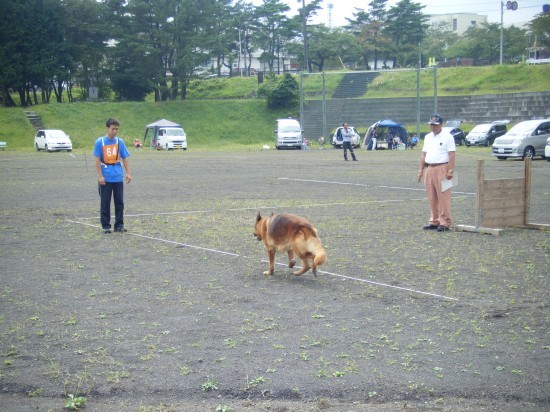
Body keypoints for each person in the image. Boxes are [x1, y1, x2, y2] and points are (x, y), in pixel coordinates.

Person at [417, 114, 456, 232]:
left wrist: (450, 170)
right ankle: (434, 220)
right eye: (431, 125)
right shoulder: (428, 137)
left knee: (444, 196)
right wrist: (421, 170)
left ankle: (445, 221)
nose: (433, 127)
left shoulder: (448, 137)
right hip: (429, 167)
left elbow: (452, 154)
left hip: (442, 167)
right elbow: (424, 155)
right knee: (431, 196)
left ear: (441, 125)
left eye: (435, 125)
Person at [94, 118, 132, 233]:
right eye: (112, 129)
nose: (114, 131)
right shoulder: (100, 142)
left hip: (117, 176)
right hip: (105, 177)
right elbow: (97, 160)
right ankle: (106, 226)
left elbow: (125, 158)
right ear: (107, 128)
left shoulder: (120, 142)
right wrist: (100, 176)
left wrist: (128, 173)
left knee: (119, 202)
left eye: (116, 129)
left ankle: (119, 225)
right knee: (105, 202)